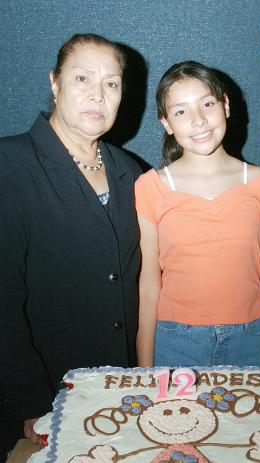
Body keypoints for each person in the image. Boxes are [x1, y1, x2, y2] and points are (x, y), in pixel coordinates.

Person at [0, 33, 141, 457]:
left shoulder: (131, 172)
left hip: (121, 391)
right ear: (55, 82)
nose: (98, 94)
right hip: (44, 394)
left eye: (112, 83)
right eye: (83, 78)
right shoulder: (10, 165)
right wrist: (29, 401)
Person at [135, 61, 260, 372]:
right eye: (181, 111)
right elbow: (149, 284)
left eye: (207, 103)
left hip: (250, 339)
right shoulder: (151, 187)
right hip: (175, 341)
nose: (198, 121)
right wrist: (144, 368)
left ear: (226, 105)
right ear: (166, 123)